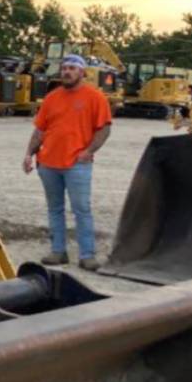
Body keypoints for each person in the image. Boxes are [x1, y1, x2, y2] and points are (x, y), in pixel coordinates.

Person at [22, 54, 112, 269]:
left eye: (72, 68)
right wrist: (29, 154)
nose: (66, 72)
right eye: (64, 68)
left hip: (77, 165)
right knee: (55, 209)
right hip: (48, 164)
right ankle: (58, 252)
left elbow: (105, 128)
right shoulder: (52, 98)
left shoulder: (95, 97)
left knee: (81, 209)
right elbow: (40, 130)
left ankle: (87, 255)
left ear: (82, 72)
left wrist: (89, 150)